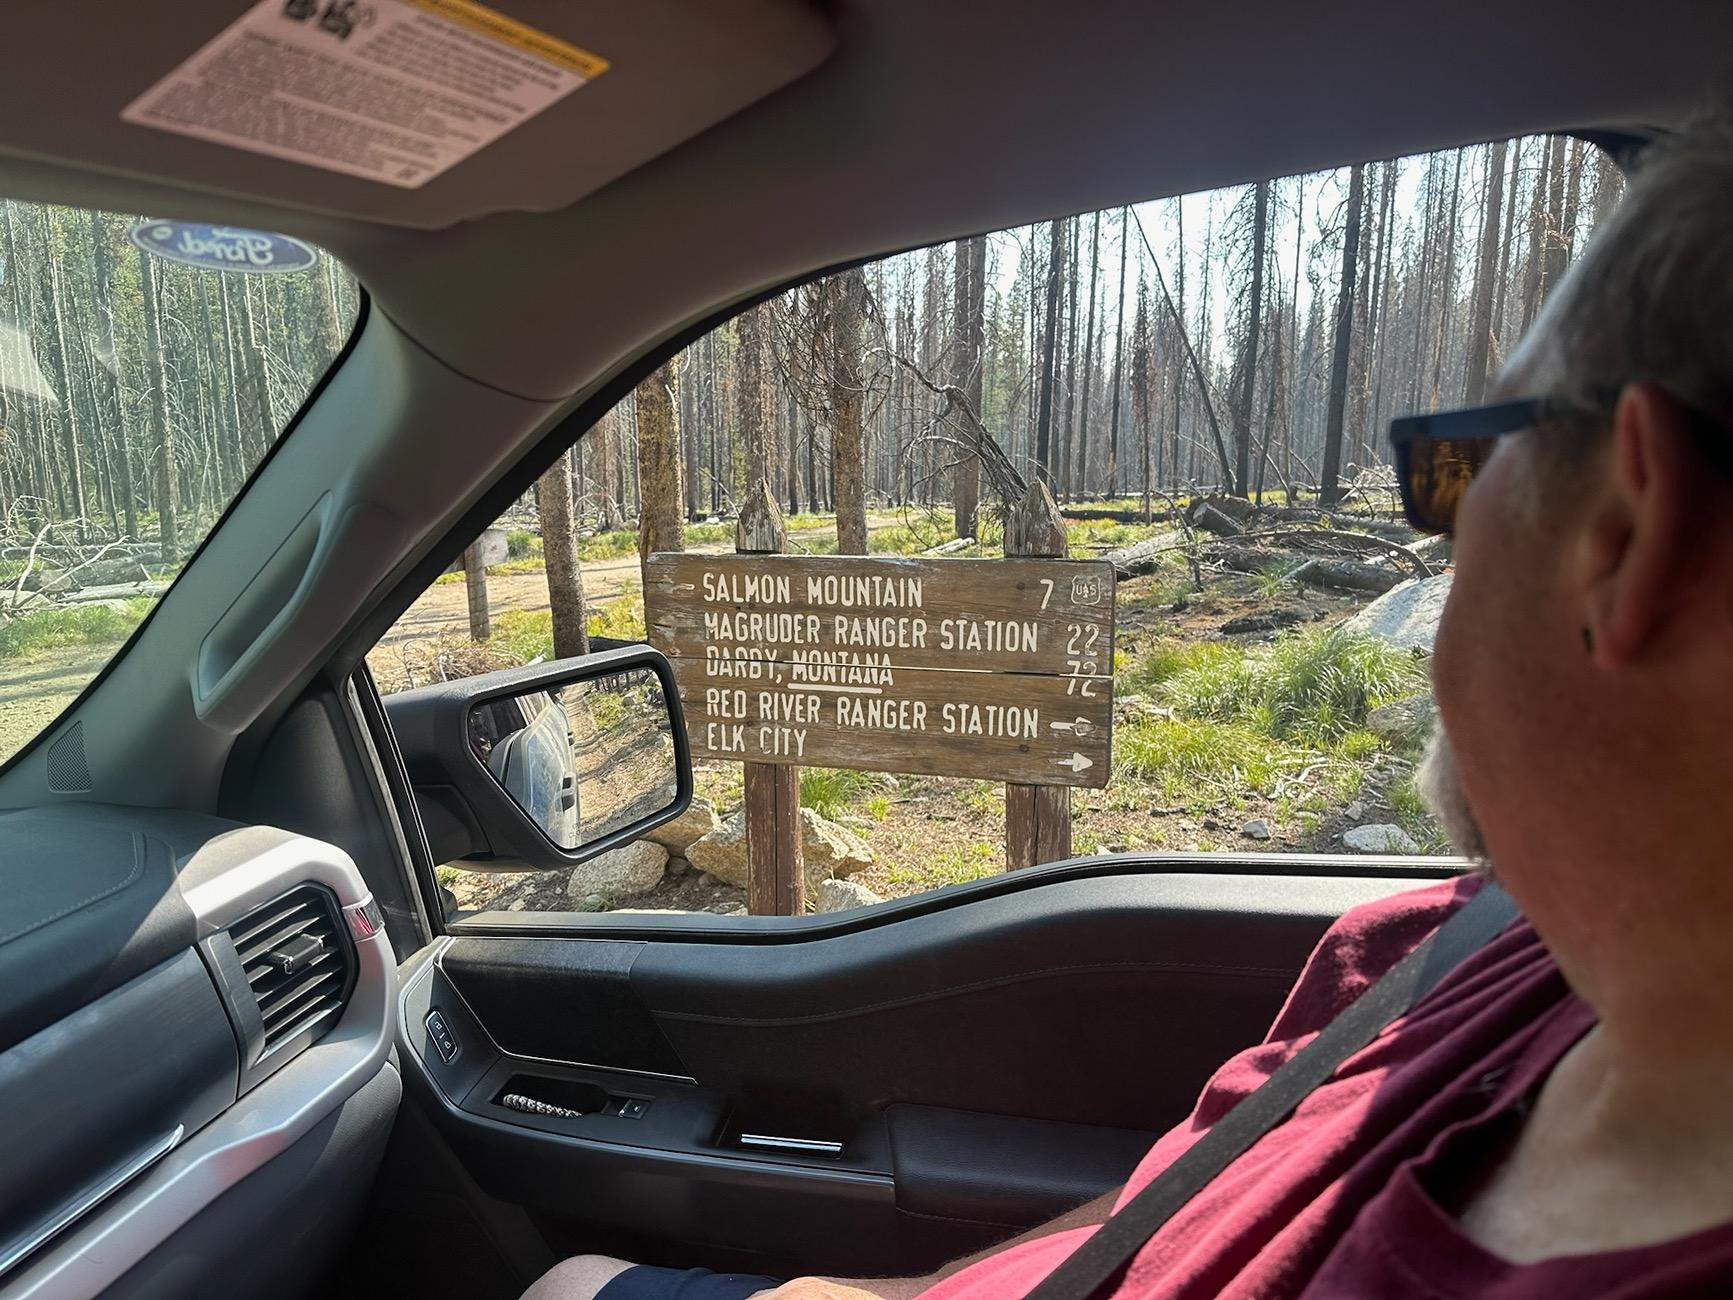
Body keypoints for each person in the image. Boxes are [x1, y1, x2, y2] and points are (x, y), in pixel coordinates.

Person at [525, 114, 1733, 1299]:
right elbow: (1167, 1208)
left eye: (1455, 468)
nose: (1444, 529)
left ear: (1627, 529)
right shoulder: (1456, 947)